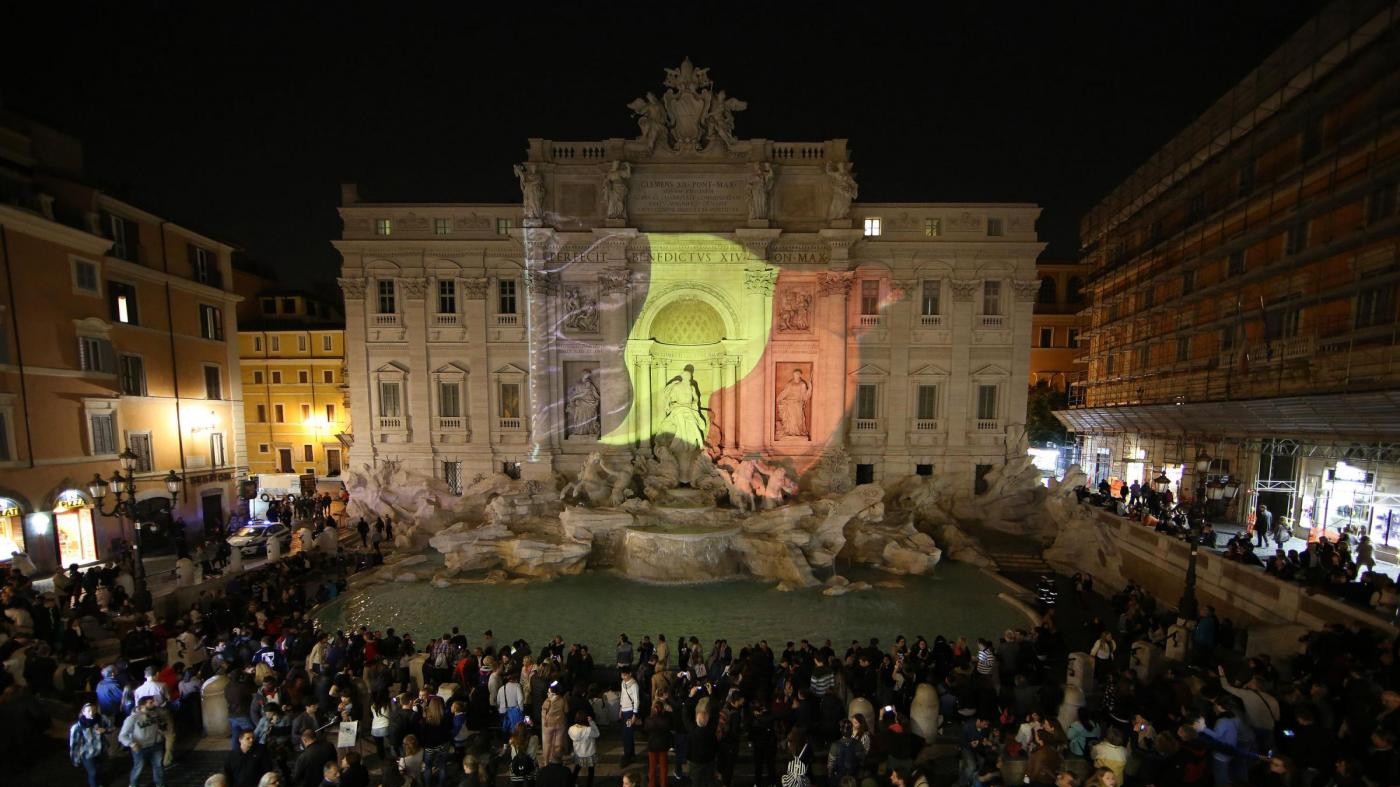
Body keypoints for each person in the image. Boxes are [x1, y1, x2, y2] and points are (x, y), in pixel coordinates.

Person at [119, 695, 169, 787]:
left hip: (155, 745)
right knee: (138, 768)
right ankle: (133, 784)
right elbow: (122, 735)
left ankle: (160, 784)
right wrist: (132, 744)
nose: (154, 704)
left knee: (158, 766)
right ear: (142, 705)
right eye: (151, 702)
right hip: (141, 747)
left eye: (153, 702)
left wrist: (161, 732)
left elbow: (159, 725)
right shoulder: (132, 718)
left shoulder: (154, 714)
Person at [70, 702, 110, 787]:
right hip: (87, 753)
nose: (91, 713)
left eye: (93, 710)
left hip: (101, 750)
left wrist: (105, 730)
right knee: (93, 772)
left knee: (100, 770)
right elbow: (74, 744)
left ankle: (100, 783)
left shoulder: (101, 720)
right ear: (83, 712)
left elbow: (111, 728)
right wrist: (75, 758)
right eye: (88, 711)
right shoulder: (78, 727)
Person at [568, 711, 599, 787]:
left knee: (577, 768)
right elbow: (597, 734)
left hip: (579, 753)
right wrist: (591, 722)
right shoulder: (588, 730)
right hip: (589, 753)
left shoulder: (571, 729)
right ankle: (589, 784)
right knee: (591, 770)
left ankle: (571, 782)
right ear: (585, 719)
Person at [619, 666, 641, 767]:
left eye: (625, 675)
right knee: (626, 733)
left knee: (627, 734)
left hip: (629, 713)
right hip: (624, 711)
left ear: (630, 674)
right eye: (622, 675)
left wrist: (634, 715)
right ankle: (631, 754)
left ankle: (627, 756)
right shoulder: (623, 683)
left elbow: (636, 700)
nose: (623, 677)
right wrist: (620, 708)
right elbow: (623, 695)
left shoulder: (634, 685)